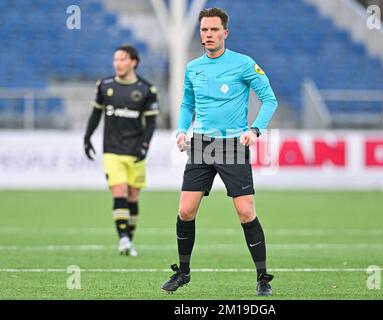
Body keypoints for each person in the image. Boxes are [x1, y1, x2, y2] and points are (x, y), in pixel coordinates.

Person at [160, 7, 278, 296]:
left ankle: (263, 278)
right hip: (201, 144)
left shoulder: (243, 64)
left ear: (225, 32)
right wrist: (180, 130)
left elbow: (269, 99)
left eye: (214, 29)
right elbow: (187, 104)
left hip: (233, 145)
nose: (208, 35)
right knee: (185, 212)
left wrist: (255, 129)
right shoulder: (193, 67)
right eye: (204, 30)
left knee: (245, 212)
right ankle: (183, 273)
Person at [83, 45, 159, 255]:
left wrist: (145, 145)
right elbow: (96, 114)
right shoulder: (104, 85)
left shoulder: (147, 89)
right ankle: (123, 239)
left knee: (133, 196)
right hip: (112, 150)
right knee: (120, 191)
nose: (118, 63)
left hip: (135, 150)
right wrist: (87, 137)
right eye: (115, 59)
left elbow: (151, 123)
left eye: (122, 59)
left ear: (133, 61)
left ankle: (129, 239)